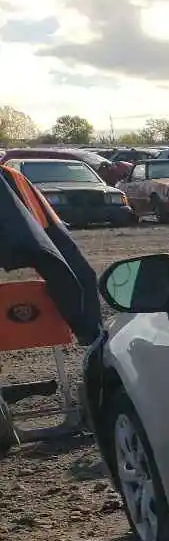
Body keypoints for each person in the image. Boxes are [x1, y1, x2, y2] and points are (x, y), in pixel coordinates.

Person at [0, 162, 101, 454]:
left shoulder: (11, 180)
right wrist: (85, 324)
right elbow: (60, 257)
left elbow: (54, 253)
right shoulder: (12, 179)